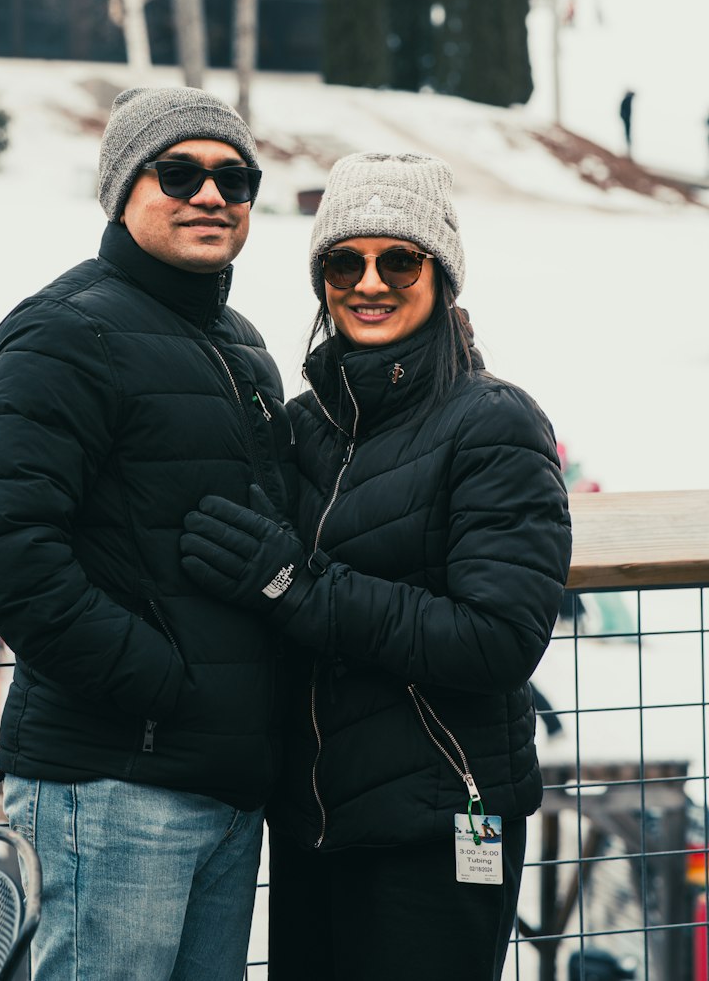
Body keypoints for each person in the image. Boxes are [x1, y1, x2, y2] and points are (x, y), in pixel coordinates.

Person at [180, 152, 572, 981]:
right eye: (343, 261)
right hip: (315, 823)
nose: (369, 282)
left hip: (435, 830)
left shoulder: (493, 424)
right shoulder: (306, 424)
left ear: (443, 275)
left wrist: (300, 586)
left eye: (399, 259)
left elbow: (499, 638)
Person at [0, 86, 289, 981]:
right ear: (120, 189)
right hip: (112, 781)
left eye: (235, 177)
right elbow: (3, 553)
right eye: (177, 171)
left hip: (224, 781)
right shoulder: (66, 331)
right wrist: (161, 686)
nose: (211, 194)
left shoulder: (243, 344)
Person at [619, 89, 635, 156]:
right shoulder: (627, 99)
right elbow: (622, 111)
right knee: (627, 135)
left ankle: (627, 150)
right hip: (627, 120)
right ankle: (627, 150)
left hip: (627, 120)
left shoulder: (627, 99)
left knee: (627, 135)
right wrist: (624, 117)